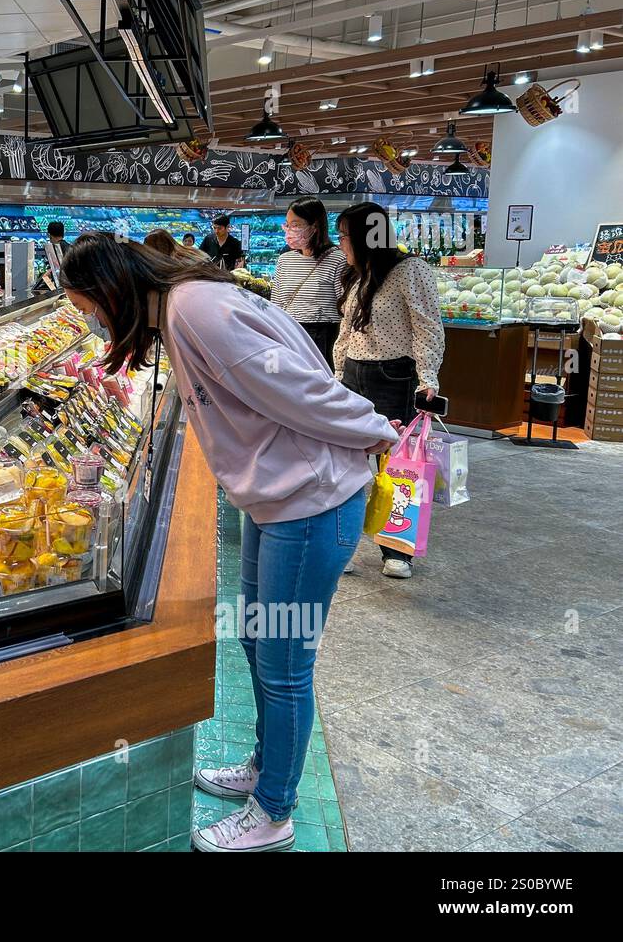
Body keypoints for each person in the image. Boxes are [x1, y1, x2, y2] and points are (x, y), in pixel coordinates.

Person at [59, 234, 396, 852]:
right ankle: (268, 767)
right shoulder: (184, 309)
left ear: (112, 290)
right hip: (279, 498)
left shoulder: (195, 309)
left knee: (285, 663)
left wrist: (373, 428)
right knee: (258, 641)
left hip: (311, 500)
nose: (92, 319)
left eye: (90, 306)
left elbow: (295, 387)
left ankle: (274, 813)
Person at [333, 201, 444, 581]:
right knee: (346, 462)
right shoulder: (357, 274)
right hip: (352, 376)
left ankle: (397, 550)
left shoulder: (410, 271)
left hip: (394, 376)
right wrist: (336, 374)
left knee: (398, 466)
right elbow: (346, 331)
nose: (341, 242)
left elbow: (428, 327)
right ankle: (342, 543)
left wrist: (428, 377)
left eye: (345, 235)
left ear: (367, 236)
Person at [271, 197, 345, 367]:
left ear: (315, 226)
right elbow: (276, 304)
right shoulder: (284, 260)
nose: (290, 231)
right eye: (287, 225)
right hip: (288, 333)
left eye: (296, 225)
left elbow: (345, 309)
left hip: (323, 337)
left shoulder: (338, 259)